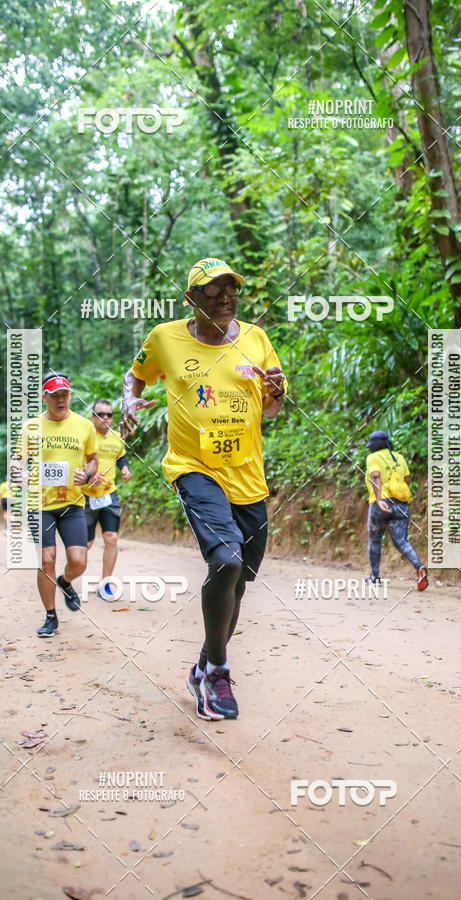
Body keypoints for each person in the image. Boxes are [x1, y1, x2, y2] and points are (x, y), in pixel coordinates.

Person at [121, 257, 287, 720]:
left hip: (248, 477)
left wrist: (275, 392)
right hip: (193, 467)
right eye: (213, 291)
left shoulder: (256, 339)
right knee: (226, 560)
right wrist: (129, 396)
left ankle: (200, 666)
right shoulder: (165, 339)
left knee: (238, 582)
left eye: (231, 289)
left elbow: (272, 408)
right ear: (192, 299)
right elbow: (135, 373)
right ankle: (217, 672)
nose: (226, 297)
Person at [12, 373, 98, 637]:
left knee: (78, 561)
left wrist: (87, 472)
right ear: (44, 397)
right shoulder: (31, 427)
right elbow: (16, 460)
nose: (61, 400)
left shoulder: (85, 426)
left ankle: (66, 581)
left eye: (64, 395)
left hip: (72, 503)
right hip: (40, 504)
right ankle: (51, 616)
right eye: (55, 396)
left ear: (70, 395)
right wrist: (19, 472)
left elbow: (93, 459)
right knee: (46, 559)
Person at [364, 430, 428, 591]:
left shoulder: (372, 458)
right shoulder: (399, 457)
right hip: (401, 504)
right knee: (401, 541)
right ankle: (419, 568)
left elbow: (375, 476)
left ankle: (375, 577)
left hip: (381, 503)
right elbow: (406, 479)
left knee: (375, 539)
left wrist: (378, 499)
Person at [83, 399, 131, 598]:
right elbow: (76, 460)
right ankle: (69, 576)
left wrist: (125, 469)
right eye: (100, 414)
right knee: (85, 544)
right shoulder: (85, 437)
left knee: (111, 538)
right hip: (85, 496)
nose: (105, 418)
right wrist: (89, 475)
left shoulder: (116, 437)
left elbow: (121, 456)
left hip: (109, 494)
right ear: (93, 417)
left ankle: (105, 584)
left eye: (109, 415)